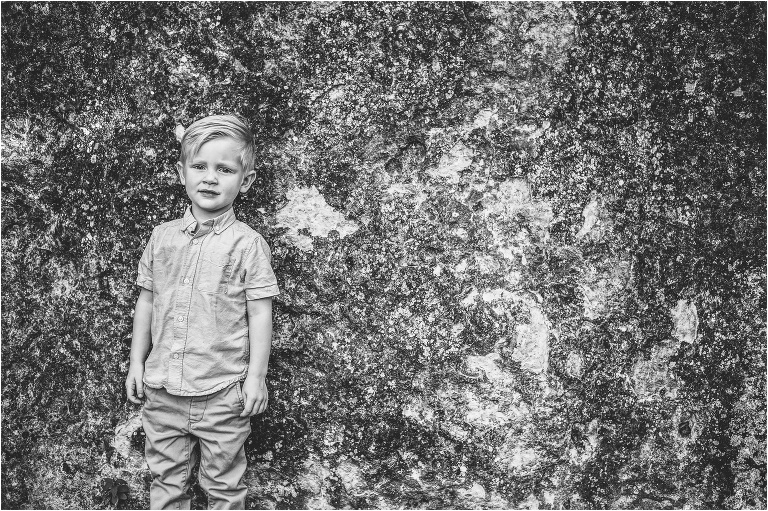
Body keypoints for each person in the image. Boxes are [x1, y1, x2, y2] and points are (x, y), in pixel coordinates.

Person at [125, 114, 280, 509]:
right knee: (165, 484)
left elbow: (261, 313)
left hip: (222, 393)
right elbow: (147, 300)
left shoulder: (248, 245)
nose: (210, 178)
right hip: (162, 392)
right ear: (182, 172)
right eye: (200, 166)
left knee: (225, 488)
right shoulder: (162, 237)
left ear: (245, 180)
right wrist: (136, 364)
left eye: (224, 169)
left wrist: (255, 379)